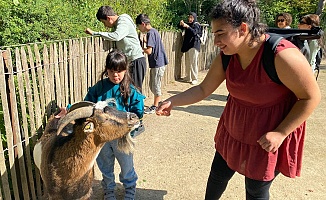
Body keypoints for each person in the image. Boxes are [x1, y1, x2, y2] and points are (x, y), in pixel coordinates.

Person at [156, 0, 321, 199]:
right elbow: (202, 88)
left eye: (220, 34)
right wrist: (173, 101)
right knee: (217, 176)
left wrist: (280, 133)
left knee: (255, 190)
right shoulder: (227, 54)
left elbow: (311, 97)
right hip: (234, 128)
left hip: (267, 135)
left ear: (243, 28)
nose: (216, 41)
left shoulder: (281, 55)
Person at [56, 49, 145, 200]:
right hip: (101, 137)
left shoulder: (131, 90)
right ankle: (109, 191)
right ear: (106, 71)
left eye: (119, 71)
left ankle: (130, 189)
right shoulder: (99, 88)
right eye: (112, 71)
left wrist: (133, 118)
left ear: (125, 70)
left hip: (122, 137)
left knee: (126, 165)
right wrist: (70, 109)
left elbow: (138, 111)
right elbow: (87, 106)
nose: (116, 75)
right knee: (105, 166)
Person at [85, 6, 146, 92]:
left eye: (103, 22)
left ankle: (138, 106)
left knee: (135, 91)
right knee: (126, 90)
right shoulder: (118, 24)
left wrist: (95, 33)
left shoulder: (123, 21)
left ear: (108, 18)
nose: (105, 25)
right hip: (130, 61)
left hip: (136, 60)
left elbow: (116, 36)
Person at [135, 14, 169, 114]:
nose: (139, 28)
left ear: (143, 24)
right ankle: (157, 103)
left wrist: (140, 49)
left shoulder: (150, 33)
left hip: (158, 63)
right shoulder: (154, 31)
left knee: (155, 85)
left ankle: (155, 106)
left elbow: (149, 51)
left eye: (138, 26)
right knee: (153, 84)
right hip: (158, 62)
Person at [179, 12, 202, 85]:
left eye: (191, 17)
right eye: (189, 17)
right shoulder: (189, 25)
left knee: (193, 62)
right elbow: (180, 27)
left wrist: (187, 27)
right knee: (188, 62)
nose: (190, 19)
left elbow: (194, 33)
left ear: (194, 18)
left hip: (194, 46)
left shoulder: (196, 25)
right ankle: (188, 77)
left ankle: (195, 78)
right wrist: (181, 24)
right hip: (188, 46)